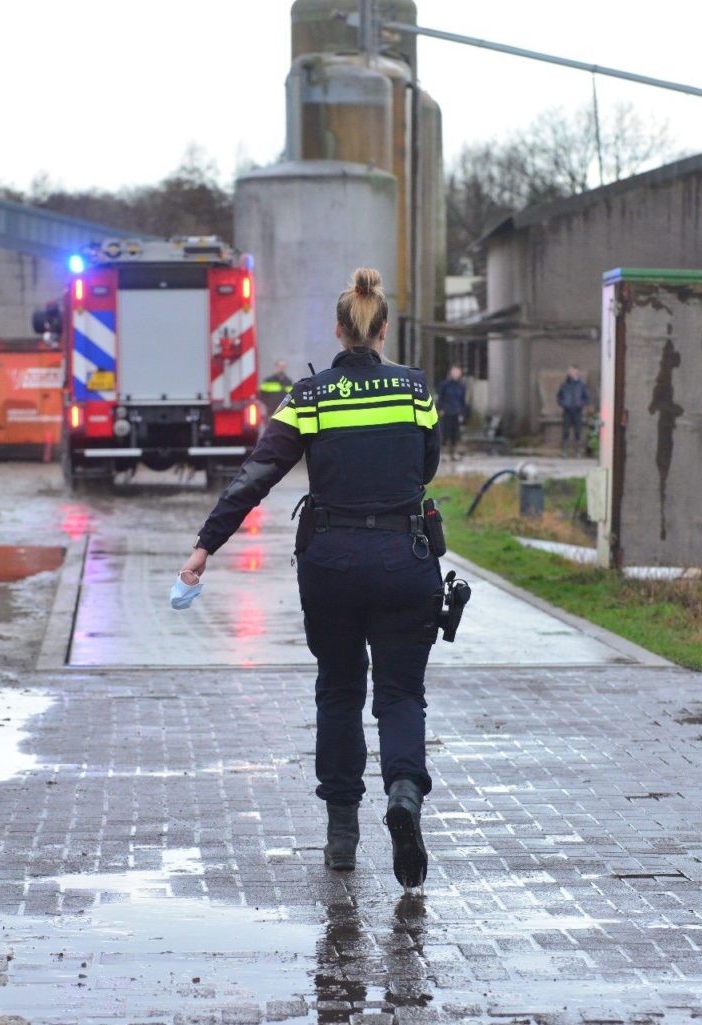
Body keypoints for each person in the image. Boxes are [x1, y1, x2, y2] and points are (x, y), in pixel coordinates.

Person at [180, 267, 442, 890]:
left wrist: (204, 547)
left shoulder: (309, 397)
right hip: (406, 560)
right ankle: (404, 796)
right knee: (401, 695)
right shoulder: (414, 391)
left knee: (340, 692)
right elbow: (427, 465)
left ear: (338, 328)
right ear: (382, 328)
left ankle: (342, 836)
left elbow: (257, 475)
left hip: (333, 563)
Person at [557, 365, 591, 457]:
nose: (571, 373)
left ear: (577, 372)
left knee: (578, 432)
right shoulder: (564, 385)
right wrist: (564, 403)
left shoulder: (581, 385)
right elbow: (559, 397)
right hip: (567, 411)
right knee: (565, 431)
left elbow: (586, 398)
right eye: (570, 371)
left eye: (573, 371)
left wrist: (580, 404)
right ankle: (564, 451)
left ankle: (578, 451)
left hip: (577, 411)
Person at [436, 365, 468, 461]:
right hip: (446, 413)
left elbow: (462, 401)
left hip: (456, 413)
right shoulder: (445, 385)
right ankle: (442, 454)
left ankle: (453, 453)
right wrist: (441, 409)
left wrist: (462, 413)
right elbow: (439, 398)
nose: (456, 374)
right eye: (454, 371)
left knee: (455, 435)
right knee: (445, 434)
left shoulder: (462, 386)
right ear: (451, 372)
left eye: (458, 372)